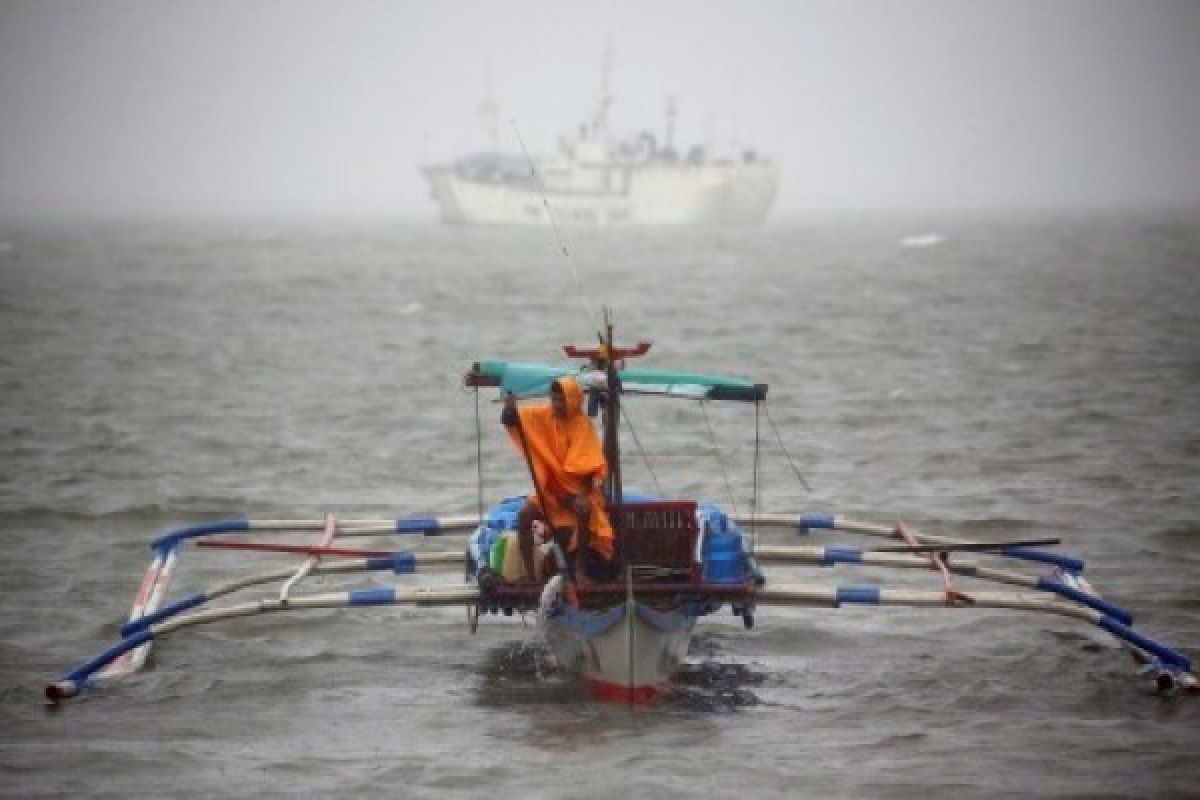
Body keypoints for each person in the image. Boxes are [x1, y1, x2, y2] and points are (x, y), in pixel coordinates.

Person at [503, 377, 615, 583]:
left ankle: (581, 570)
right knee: (524, 515)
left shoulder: (582, 425)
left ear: (572, 401)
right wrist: (509, 407)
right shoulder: (544, 415)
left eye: (561, 400)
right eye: (554, 399)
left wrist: (579, 495)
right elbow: (513, 419)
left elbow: (590, 467)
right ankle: (530, 576)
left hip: (577, 492)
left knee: (584, 509)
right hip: (551, 492)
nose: (556, 405)